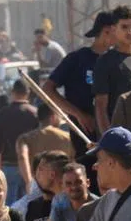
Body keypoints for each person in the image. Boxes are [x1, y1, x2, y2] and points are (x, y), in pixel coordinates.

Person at [44, 10, 115, 145]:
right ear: (106, 31)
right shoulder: (77, 59)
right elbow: (48, 88)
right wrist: (78, 114)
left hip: (113, 133)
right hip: (84, 134)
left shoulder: (118, 61)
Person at [93, 5, 131, 135]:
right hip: (119, 135)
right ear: (114, 29)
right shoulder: (105, 62)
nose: (130, 31)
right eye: (124, 27)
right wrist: (109, 139)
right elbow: (100, 106)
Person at [0, 80, 38, 203]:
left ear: (12, 93)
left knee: (10, 204)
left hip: (9, 165)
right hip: (31, 166)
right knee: (30, 202)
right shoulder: (35, 113)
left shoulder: (3, 113)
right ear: (28, 93)